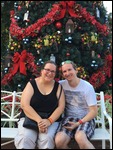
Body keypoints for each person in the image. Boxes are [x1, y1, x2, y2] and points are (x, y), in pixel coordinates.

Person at [14, 60, 65, 149]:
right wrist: (40, 121)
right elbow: (25, 105)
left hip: (50, 120)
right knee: (25, 138)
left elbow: (61, 107)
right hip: (30, 118)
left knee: (47, 139)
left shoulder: (58, 87)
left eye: (53, 71)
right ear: (42, 71)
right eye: (47, 70)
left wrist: (49, 121)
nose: (50, 73)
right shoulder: (32, 84)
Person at [55, 60, 98, 149]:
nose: (67, 73)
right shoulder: (61, 85)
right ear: (62, 74)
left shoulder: (87, 87)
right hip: (69, 118)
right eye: (64, 71)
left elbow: (94, 112)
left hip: (85, 118)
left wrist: (78, 123)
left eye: (70, 70)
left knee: (80, 137)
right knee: (59, 141)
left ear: (76, 70)